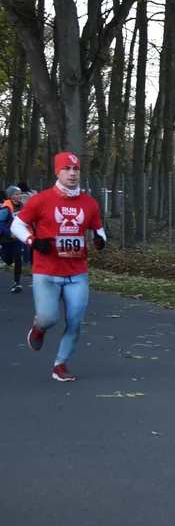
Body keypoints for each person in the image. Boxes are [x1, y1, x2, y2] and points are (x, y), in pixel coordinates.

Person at [12, 152, 106, 381]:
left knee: (75, 321)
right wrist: (34, 241)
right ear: (57, 172)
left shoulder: (89, 203)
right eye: (66, 169)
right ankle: (39, 328)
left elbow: (98, 228)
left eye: (75, 169)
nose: (72, 173)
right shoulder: (40, 200)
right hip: (47, 271)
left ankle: (60, 364)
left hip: (77, 272)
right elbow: (17, 225)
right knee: (48, 318)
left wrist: (100, 239)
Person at [0, 186, 28, 292]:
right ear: (11, 196)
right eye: (17, 194)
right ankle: (2, 253)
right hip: (6, 238)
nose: (20, 196)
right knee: (8, 260)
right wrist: (9, 233)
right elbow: (0, 223)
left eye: (20, 193)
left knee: (18, 258)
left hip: (17, 238)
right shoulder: (6, 208)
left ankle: (17, 283)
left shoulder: (22, 207)